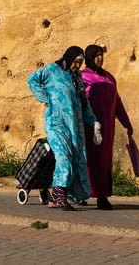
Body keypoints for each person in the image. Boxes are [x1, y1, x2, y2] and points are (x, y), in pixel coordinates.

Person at [27, 45, 99, 210]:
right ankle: (59, 195)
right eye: (75, 62)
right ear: (68, 58)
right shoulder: (52, 70)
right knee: (64, 158)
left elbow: (84, 102)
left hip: (75, 126)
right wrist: (46, 98)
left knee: (76, 159)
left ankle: (57, 196)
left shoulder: (77, 77)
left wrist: (93, 122)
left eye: (80, 63)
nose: (77, 66)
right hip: (56, 123)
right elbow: (32, 80)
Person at [81, 43, 134, 209]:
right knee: (91, 162)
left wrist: (126, 123)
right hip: (90, 128)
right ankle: (92, 195)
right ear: (89, 57)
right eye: (96, 55)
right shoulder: (83, 77)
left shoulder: (109, 78)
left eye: (101, 55)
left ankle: (101, 195)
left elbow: (117, 103)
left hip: (108, 129)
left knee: (104, 163)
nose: (100, 58)